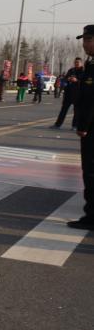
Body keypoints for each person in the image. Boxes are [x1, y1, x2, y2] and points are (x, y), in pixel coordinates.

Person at [67, 26, 94, 230]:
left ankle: (91, 216)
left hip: (92, 128)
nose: (84, 43)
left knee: (91, 171)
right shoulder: (90, 63)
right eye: (84, 39)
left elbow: (92, 99)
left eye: (88, 39)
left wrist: (84, 126)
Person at [53, 58, 85, 129]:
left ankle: (75, 125)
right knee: (63, 110)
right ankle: (57, 124)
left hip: (78, 94)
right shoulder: (71, 70)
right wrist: (67, 79)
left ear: (81, 63)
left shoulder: (84, 71)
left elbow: (85, 81)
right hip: (68, 93)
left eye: (78, 62)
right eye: (75, 62)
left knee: (76, 111)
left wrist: (77, 80)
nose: (76, 63)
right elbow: (65, 78)